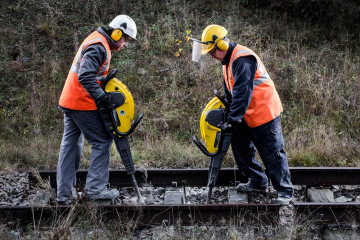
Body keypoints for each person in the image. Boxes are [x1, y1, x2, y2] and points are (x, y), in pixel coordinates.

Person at [192, 25, 294, 205]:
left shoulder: (242, 59)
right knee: (239, 146)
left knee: (272, 152)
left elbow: (242, 92)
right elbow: (231, 92)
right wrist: (229, 115)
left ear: (222, 45)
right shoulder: (227, 61)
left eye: (212, 51)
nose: (210, 55)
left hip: (264, 110)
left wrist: (232, 120)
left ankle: (285, 191)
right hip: (246, 113)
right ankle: (258, 181)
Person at [56, 15, 137, 205]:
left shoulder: (96, 39)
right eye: (126, 39)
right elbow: (85, 76)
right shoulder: (99, 46)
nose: (126, 44)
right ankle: (95, 190)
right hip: (81, 103)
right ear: (117, 32)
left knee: (70, 146)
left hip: (70, 100)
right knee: (102, 141)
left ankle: (64, 194)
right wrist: (101, 97)